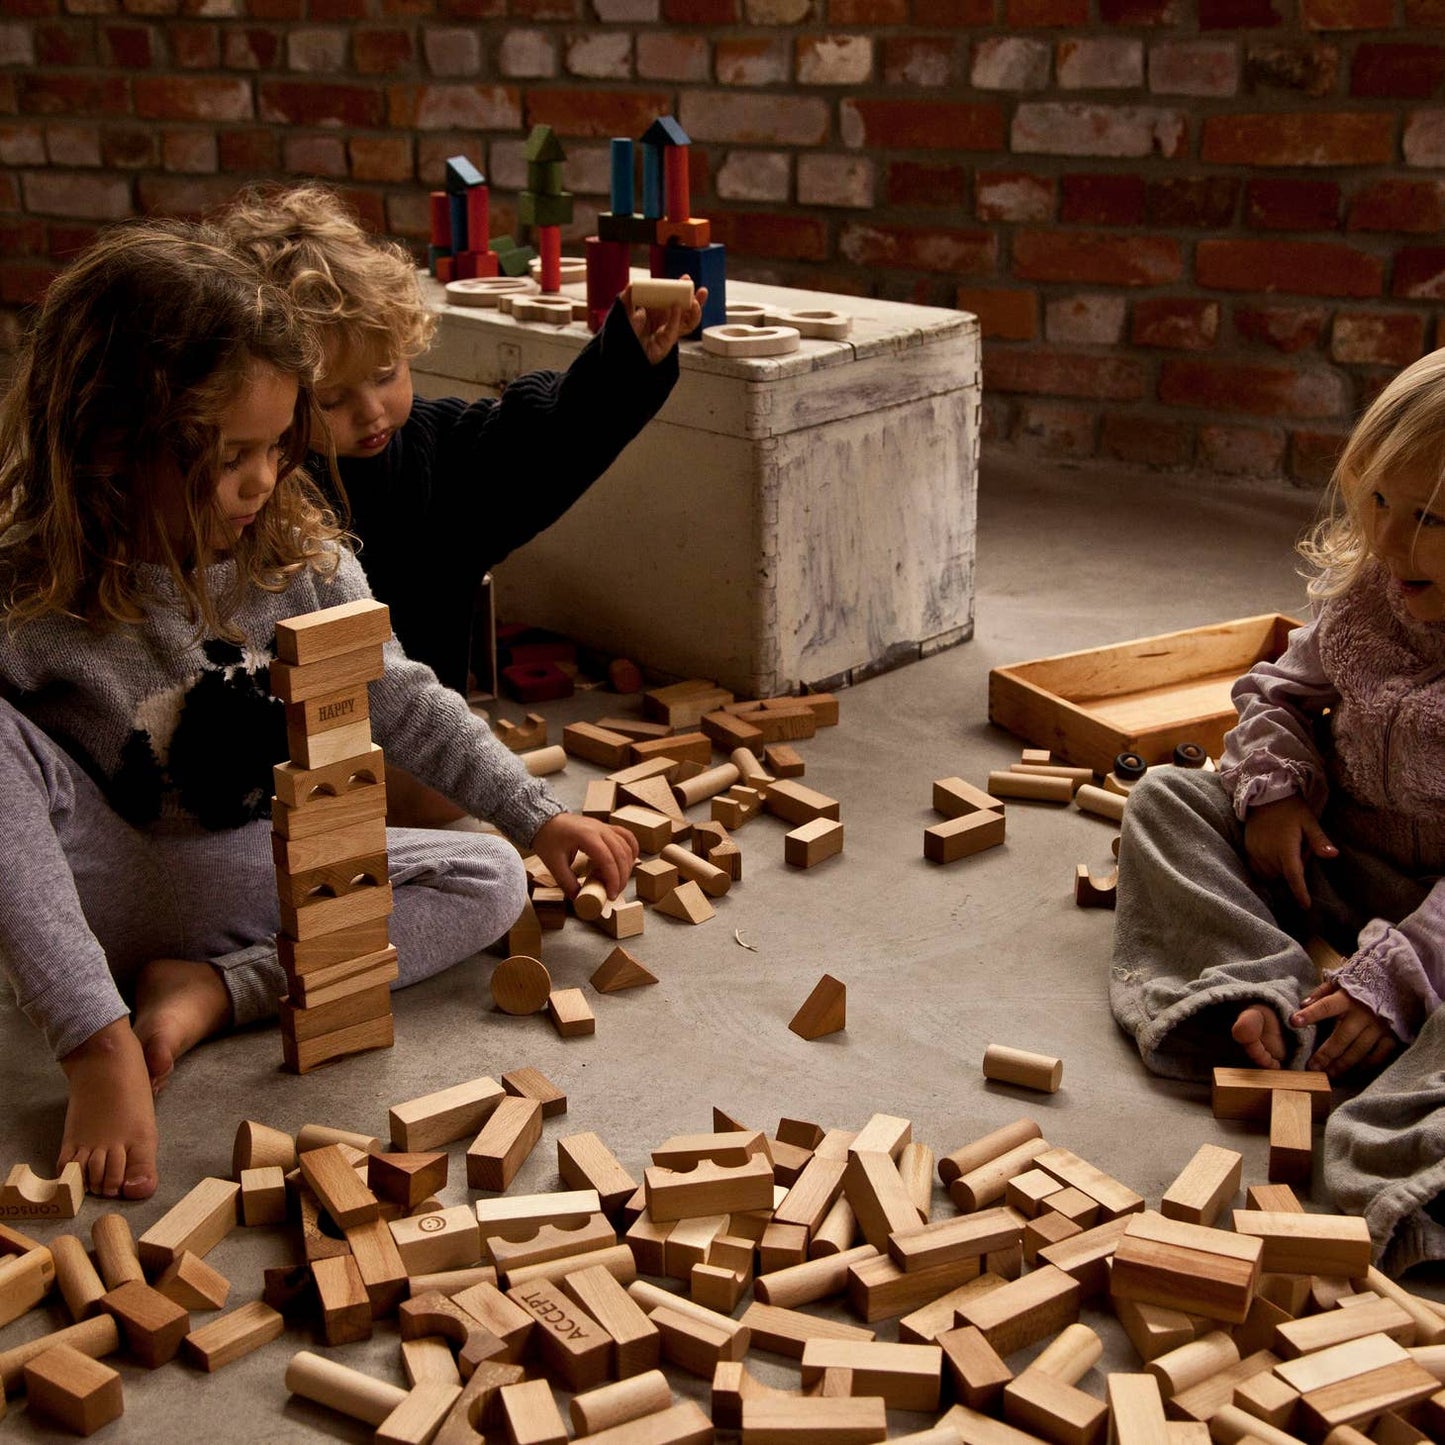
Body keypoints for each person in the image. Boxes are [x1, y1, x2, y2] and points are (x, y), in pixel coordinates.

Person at [0, 221, 637, 1201]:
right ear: (111, 444)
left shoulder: (300, 559)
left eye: (278, 447)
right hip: (91, 882)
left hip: (245, 873)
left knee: (487, 879)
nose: (263, 480)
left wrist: (534, 811)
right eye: (229, 456)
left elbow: (403, 698)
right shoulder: (34, 586)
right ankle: (96, 1032)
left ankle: (212, 991)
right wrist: (88, 1024)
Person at [1111, 348, 1445, 1272]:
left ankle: (1407, 1155)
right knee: (1169, 799)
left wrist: (1408, 967)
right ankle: (1246, 991)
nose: (1386, 541)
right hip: (1341, 862)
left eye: (1427, 521)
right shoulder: (1368, 599)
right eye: (1375, 501)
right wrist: (1277, 792)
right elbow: (1278, 695)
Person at [216, 183, 704, 697]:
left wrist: (626, 362)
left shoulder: (437, 453)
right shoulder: (252, 493)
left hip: (430, 748)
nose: (373, 412)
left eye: (386, 374)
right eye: (331, 401)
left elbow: (543, 444)